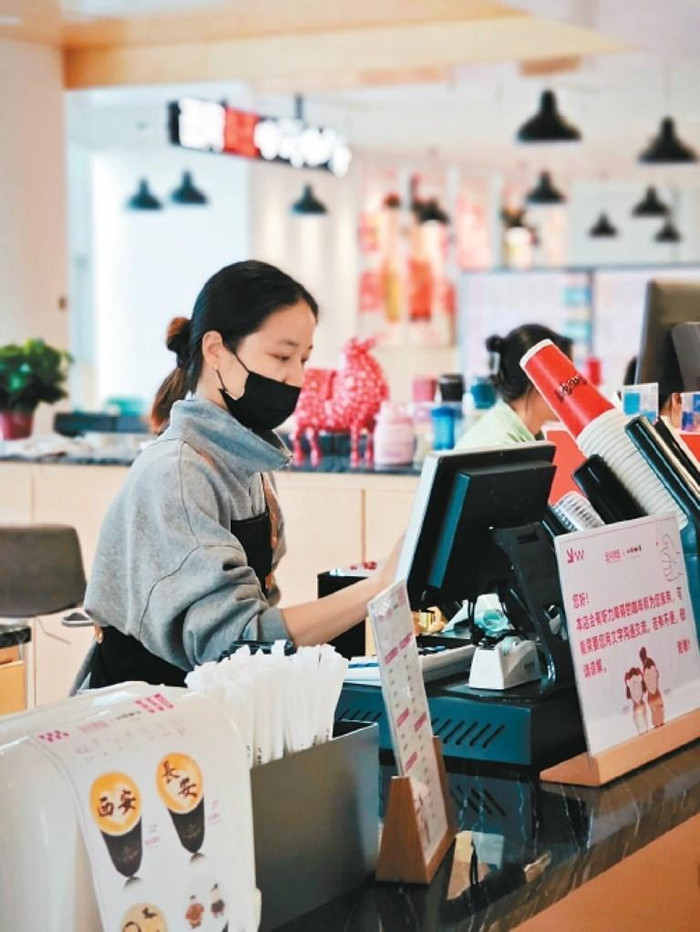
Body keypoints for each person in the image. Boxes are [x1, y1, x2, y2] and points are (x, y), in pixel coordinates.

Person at [80, 260, 402, 689]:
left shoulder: (246, 462)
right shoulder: (179, 473)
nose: (297, 378)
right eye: (282, 356)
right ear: (215, 350)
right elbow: (233, 643)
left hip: (209, 702)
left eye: (304, 359)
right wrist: (380, 587)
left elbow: (256, 624)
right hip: (146, 714)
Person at [456, 324, 573, 449]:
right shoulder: (502, 446)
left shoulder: (518, 433)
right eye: (567, 379)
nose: (572, 390)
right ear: (537, 382)